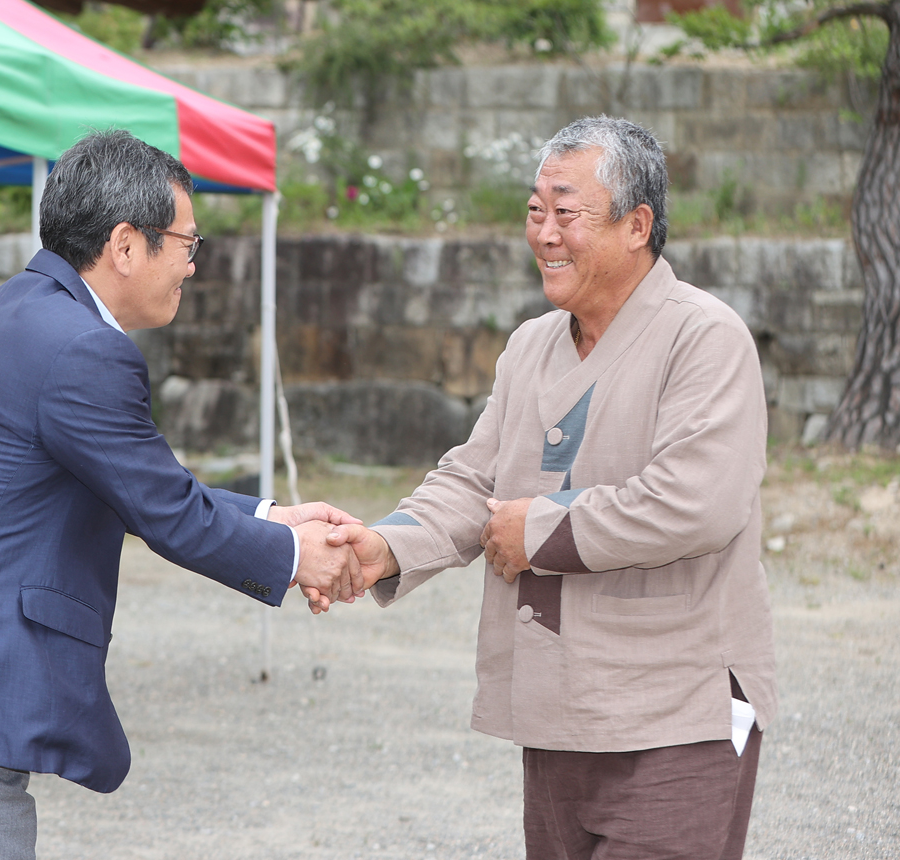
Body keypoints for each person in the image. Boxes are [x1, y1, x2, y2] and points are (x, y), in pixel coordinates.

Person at [0, 129, 362, 860]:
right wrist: (300, 555)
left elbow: (139, 483)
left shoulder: (12, 308)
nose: (192, 268)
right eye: (188, 245)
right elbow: (165, 511)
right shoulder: (84, 349)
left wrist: (273, 519)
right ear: (127, 244)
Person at [328, 116, 776, 859]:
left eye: (566, 213)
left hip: (676, 710)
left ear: (638, 225)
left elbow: (697, 501)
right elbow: (475, 479)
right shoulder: (532, 344)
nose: (544, 233)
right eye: (536, 211)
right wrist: (383, 547)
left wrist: (538, 529)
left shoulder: (704, 335)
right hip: (560, 708)